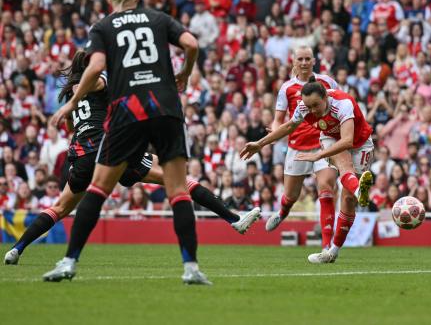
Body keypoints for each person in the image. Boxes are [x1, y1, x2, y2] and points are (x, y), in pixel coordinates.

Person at [5, 50, 260, 266]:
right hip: (111, 151)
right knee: (178, 181)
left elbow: (82, 121)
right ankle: (234, 219)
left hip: (83, 155)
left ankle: (17, 249)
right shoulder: (96, 81)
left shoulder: (73, 92)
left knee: (59, 208)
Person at [44, 0, 210, 284]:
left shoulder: (103, 26)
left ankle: (68, 262)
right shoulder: (159, 19)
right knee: (177, 190)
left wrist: (70, 102)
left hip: (127, 110)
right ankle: (191, 268)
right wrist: (186, 73)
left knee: (98, 187)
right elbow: (190, 44)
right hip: (165, 107)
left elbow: (94, 68)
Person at [240, 78, 374, 263]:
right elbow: (289, 126)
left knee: (348, 199)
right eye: (308, 106)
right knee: (345, 169)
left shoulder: (342, 103)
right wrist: (260, 143)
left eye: (316, 105)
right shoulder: (304, 107)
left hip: (360, 143)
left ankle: (333, 251)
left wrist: (319, 156)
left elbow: (348, 140)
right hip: (329, 138)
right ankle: (359, 189)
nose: (312, 111)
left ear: (325, 96)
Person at [268, 46, 339, 252]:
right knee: (290, 196)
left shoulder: (327, 82)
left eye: (308, 58)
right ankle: (282, 212)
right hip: (297, 147)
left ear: (314, 61)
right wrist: (274, 134)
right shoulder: (287, 89)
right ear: (294, 62)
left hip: (324, 144)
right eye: (301, 59)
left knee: (326, 187)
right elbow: (278, 121)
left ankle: (327, 246)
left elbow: (340, 104)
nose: (305, 62)